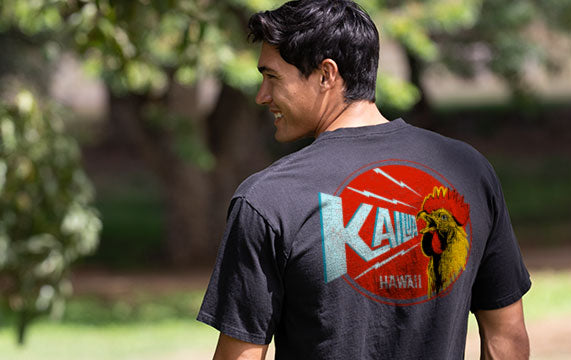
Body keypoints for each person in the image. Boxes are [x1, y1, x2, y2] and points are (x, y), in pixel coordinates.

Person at [197, 0, 532, 359]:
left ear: (327, 75)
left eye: (272, 77)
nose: (262, 96)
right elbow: (507, 340)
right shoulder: (468, 172)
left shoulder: (269, 198)